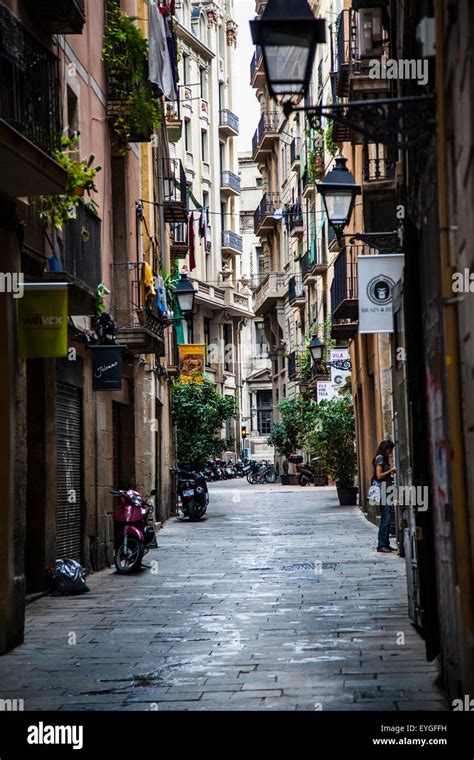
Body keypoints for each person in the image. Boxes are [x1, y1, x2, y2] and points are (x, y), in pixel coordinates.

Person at [372, 440, 397, 553]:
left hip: (387, 491)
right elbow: (379, 475)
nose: (390, 452)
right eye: (389, 450)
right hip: (383, 492)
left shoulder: (383, 458)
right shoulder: (380, 458)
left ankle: (386, 544)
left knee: (387, 518)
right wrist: (391, 470)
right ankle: (381, 544)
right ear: (385, 449)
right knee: (385, 519)